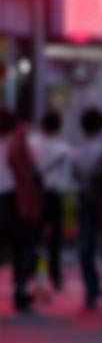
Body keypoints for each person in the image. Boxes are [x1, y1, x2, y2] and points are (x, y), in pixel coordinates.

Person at [28, 110, 75, 298]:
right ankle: (55, 276)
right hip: (55, 196)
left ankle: (31, 273)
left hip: (36, 195)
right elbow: (66, 178)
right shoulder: (64, 149)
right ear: (59, 126)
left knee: (34, 236)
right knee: (55, 240)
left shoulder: (32, 144)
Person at [0, 108, 39, 313]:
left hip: (9, 198)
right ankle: (21, 290)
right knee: (20, 246)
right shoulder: (18, 142)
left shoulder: (16, 142)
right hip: (14, 199)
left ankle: (21, 288)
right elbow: (31, 166)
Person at [72, 107, 102, 310]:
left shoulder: (75, 152)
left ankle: (91, 289)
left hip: (84, 200)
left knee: (86, 247)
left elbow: (74, 177)